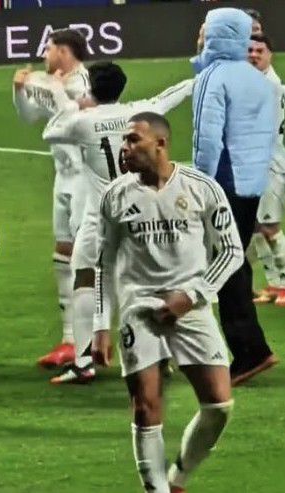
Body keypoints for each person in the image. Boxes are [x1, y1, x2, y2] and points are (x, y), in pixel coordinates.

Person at [93, 112, 243, 493]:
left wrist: (190, 297)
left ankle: (178, 478)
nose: (124, 148)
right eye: (124, 141)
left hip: (190, 305)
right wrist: (100, 325)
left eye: (133, 140)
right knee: (146, 405)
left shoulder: (201, 188)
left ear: (160, 144)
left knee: (218, 406)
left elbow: (231, 251)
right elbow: (104, 263)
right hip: (139, 308)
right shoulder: (115, 195)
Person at [43, 62, 193, 383]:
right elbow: (170, 97)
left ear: (91, 87)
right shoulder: (139, 114)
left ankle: (83, 362)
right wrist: (197, 79)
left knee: (84, 277)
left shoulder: (82, 121)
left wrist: (72, 103)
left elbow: (50, 132)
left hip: (100, 216)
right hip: (139, 212)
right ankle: (160, 357)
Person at [192, 7, 278, 385]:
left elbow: (208, 137)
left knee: (226, 262)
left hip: (224, 181)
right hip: (251, 182)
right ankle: (250, 348)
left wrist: (201, 181)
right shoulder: (257, 78)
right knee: (236, 258)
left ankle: (249, 350)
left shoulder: (215, 78)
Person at [13, 28, 90, 369]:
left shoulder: (83, 84)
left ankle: (94, 341)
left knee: (89, 257)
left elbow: (72, 116)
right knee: (63, 252)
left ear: (64, 52)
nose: (44, 54)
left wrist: (49, 86)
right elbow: (29, 115)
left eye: (49, 48)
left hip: (86, 176)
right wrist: (19, 90)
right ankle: (70, 340)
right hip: (63, 176)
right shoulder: (53, 82)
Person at [245, 34, 285, 306]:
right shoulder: (256, 82)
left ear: (270, 55)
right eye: (250, 50)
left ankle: (284, 284)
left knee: (270, 227)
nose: (254, 55)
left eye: (260, 51)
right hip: (254, 163)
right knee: (257, 227)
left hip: (269, 165)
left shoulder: (269, 86)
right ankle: (273, 284)